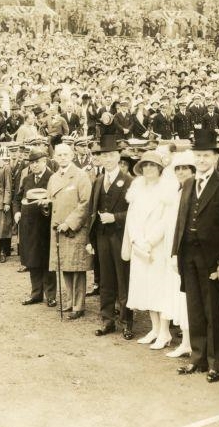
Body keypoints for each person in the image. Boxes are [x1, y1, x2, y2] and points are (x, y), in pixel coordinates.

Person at [172, 129, 219, 383]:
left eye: (206, 156)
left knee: (213, 311)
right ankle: (198, 358)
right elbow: (181, 221)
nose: (201, 160)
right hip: (188, 256)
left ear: (215, 157)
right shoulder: (189, 183)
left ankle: (214, 363)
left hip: (212, 259)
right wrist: (175, 252)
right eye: (198, 155)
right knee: (194, 309)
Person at [122, 150, 174, 349]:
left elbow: (166, 221)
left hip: (158, 247)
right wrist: (136, 239)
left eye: (153, 165)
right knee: (146, 288)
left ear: (160, 168)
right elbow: (131, 218)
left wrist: (149, 242)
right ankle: (154, 329)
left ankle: (165, 332)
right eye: (145, 165)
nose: (149, 169)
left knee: (160, 288)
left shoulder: (167, 188)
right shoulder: (137, 188)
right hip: (139, 246)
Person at [88, 136, 133, 340]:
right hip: (102, 237)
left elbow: (135, 212)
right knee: (106, 280)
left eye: (111, 155)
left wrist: (115, 217)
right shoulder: (98, 181)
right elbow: (92, 211)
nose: (107, 159)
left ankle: (126, 322)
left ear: (118, 157)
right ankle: (107, 320)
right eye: (103, 155)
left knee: (123, 280)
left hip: (121, 237)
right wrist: (90, 240)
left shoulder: (129, 181)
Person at [47, 143, 93, 320]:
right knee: (64, 265)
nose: (62, 158)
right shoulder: (53, 178)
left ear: (72, 155)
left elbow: (86, 203)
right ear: (55, 158)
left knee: (77, 267)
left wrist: (69, 223)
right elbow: (51, 200)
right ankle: (69, 301)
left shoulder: (81, 176)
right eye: (59, 155)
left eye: (66, 154)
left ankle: (78, 305)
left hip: (74, 228)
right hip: (58, 227)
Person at [14, 149, 57, 307]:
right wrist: (17, 212)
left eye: (37, 162)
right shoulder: (27, 179)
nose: (34, 165)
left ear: (45, 161)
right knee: (32, 259)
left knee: (47, 260)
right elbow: (17, 198)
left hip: (46, 225)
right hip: (29, 226)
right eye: (32, 163)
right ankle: (36, 293)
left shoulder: (53, 177)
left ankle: (50, 295)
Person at [164, 150, 195, 358]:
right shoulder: (178, 191)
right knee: (179, 297)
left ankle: (188, 342)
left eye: (185, 168)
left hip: (186, 253)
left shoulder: (192, 191)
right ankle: (186, 341)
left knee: (187, 299)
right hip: (174, 251)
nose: (181, 172)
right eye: (178, 168)